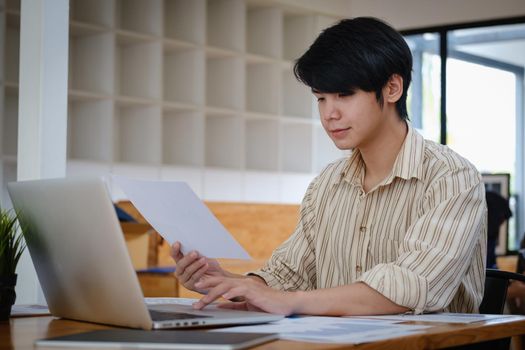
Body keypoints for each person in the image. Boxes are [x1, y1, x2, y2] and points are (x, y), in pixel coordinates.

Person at [171, 17, 487, 316]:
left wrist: (286, 301)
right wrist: (224, 281)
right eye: (321, 98)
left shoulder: (451, 177)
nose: (329, 113)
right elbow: (287, 277)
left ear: (392, 88)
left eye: (344, 95)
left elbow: (414, 285)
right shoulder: (327, 184)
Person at [485, 190, 512, 269]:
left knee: (488, 258)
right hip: (490, 231)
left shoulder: (488, 197)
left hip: (490, 232)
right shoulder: (497, 200)